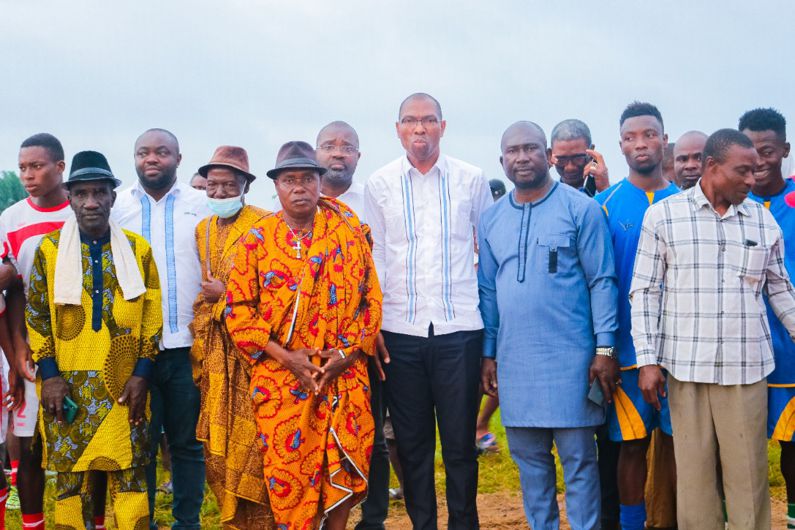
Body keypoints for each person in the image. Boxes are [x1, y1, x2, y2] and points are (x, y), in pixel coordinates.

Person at [630, 128, 795, 529]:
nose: (752, 179)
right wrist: (647, 361)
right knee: (695, 482)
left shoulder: (762, 220)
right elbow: (645, 292)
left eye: (755, 170)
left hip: (745, 370)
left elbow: (780, 291)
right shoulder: (664, 216)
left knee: (749, 480)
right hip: (686, 370)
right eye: (743, 171)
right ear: (711, 166)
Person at [224, 141, 382, 529]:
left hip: (343, 374)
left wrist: (346, 354)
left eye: (307, 179)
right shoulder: (256, 240)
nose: (299, 187)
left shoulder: (348, 231)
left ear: (319, 182)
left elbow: (371, 299)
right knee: (289, 479)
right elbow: (238, 310)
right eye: (289, 180)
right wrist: (288, 358)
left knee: (344, 470)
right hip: (282, 380)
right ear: (276, 186)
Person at [479, 121, 618, 529]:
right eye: (513, 151)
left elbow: (602, 280)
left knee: (580, 463)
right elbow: (488, 291)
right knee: (530, 466)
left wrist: (604, 348)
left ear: (549, 156)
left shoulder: (581, 209)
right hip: (516, 364)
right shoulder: (491, 220)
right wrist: (488, 353)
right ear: (502, 160)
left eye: (530, 149)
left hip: (573, 363)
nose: (522, 157)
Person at [364, 92, 492, 530]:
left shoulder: (471, 179)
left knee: (459, 445)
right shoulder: (379, 184)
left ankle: (463, 524)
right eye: (410, 120)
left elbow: (486, 250)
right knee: (412, 445)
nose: (420, 128)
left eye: (429, 120)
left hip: (460, 329)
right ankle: (424, 525)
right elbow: (377, 255)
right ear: (398, 129)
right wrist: (376, 322)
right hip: (400, 331)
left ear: (443, 126)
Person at [25, 150, 162, 529]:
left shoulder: (138, 250)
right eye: (82, 194)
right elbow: (36, 317)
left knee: (131, 480)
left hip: (127, 387)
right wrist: (50, 376)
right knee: (71, 485)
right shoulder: (49, 251)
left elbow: (152, 318)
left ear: (112, 197)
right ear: (69, 198)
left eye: (99, 192)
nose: (91, 202)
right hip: (66, 388)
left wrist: (142, 374)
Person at [113, 128, 208, 530]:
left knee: (188, 443)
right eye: (143, 152)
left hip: (188, 345)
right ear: (135, 158)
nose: (152, 159)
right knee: (141, 445)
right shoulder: (117, 207)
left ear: (178, 159)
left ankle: (188, 522)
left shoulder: (201, 205)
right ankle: (144, 522)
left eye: (162, 152)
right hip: (136, 352)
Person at [595, 102, 679, 530]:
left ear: (664, 139)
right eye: (631, 137)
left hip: (681, 351)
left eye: (649, 135)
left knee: (681, 447)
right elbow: (598, 283)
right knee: (631, 446)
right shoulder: (604, 206)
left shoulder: (686, 202)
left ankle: (677, 519)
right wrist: (606, 348)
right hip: (626, 352)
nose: (640, 143)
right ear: (621, 145)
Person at [189, 146, 272, 529]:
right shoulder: (203, 230)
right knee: (218, 450)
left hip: (253, 353)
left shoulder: (265, 224)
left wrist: (225, 295)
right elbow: (205, 290)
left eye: (228, 186)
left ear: (245, 186)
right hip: (216, 355)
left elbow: (273, 289)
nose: (220, 193)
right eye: (213, 186)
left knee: (255, 445)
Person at [315, 121, 389, 530]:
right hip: (312, 343)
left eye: (347, 147)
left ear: (359, 156)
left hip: (367, 337)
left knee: (371, 429)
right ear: (316, 154)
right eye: (329, 146)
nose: (338, 153)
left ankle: (373, 518)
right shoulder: (299, 202)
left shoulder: (372, 202)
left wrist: (371, 330)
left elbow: (383, 266)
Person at [0, 133, 75, 530]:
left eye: (37, 166)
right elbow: (12, 291)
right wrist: (16, 355)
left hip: (81, 344)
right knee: (29, 446)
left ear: (60, 167)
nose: (28, 175)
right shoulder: (11, 219)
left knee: (77, 443)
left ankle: (82, 520)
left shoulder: (82, 209)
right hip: (31, 346)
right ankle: (33, 523)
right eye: (22, 168)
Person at [740, 108, 795, 528]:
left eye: (768, 150)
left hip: (790, 343)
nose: (759, 160)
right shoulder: (728, 203)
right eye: (751, 150)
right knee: (741, 448)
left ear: (785, 150)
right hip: (742, 345)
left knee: (793, 445)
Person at [548, 118, 610, 196]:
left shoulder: (611, 193)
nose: (570, 168)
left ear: (592, 151)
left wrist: (605, 190)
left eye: (577, 158)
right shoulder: (544, 195)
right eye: (562, 159)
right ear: (550, 154)